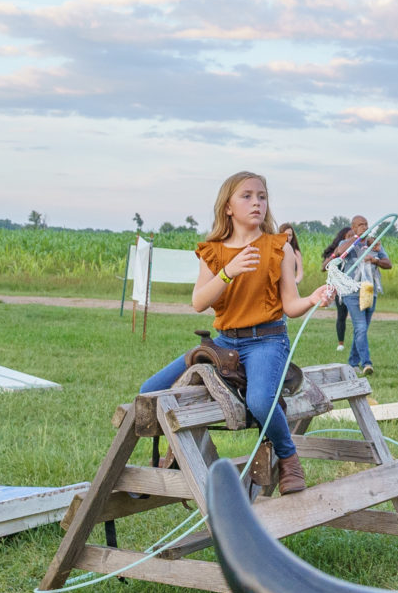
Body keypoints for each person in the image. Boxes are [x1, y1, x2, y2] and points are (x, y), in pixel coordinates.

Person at [138, 170, 333, 496]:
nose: (257, 202)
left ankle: (288, 458)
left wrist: (312, 299)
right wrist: (228, 272)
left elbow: (290, 305)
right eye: (247, 196)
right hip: (225, 342)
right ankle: (177, 458)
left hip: (267, 340)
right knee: (149, 391)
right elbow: (199, 302)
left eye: (262, 196)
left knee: (259, 400)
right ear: (228, 207)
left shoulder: (278, 247)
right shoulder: (213, 251)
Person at [328, 214, 390, 377]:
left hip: (369, 291)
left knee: (362, 329)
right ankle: (366, 363)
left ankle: (352, 362)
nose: (364, 227)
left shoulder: (374, 244)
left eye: (366, 224)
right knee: (360, 327)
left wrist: (375, 260)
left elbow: (388, 264)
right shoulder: (347, 243)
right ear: (354, 228)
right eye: (361, 225)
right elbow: (340, 252)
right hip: (352, 292)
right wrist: (357, 238)